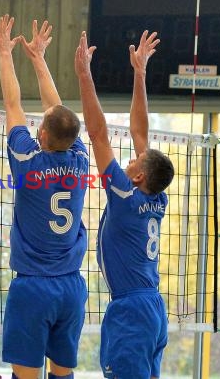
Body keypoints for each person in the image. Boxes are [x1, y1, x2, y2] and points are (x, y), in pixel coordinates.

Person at [0, 15, 89, 379]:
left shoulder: (28, 161)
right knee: (62, 376)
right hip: (72, 288)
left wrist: (5, 53)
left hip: (33, 286)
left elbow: (13, 105)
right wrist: (39, 59)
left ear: (42, 135)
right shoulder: (80, 158)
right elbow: (57, 111)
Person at [74, 30, 174, 378]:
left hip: (131, 309)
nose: (131, 160)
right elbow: (140, 132)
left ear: (137, 178)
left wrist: (84, 76)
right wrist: (140, 73)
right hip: (152, 308)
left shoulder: (125, 196)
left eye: (135, 163)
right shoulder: (155, 198)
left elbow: (98, 134)